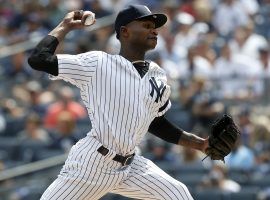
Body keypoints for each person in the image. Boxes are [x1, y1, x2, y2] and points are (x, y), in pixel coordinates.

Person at [28, 5, 209, 200]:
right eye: (147, 25)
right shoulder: (98, 63)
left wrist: (200, 144)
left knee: (178, 194)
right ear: (125, 31)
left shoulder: (158, 75)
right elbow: (39, 59)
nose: (154, 30)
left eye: (155, 27)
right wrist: (65, 26)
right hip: (92, 165)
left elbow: (155, 123)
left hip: (131, 167)